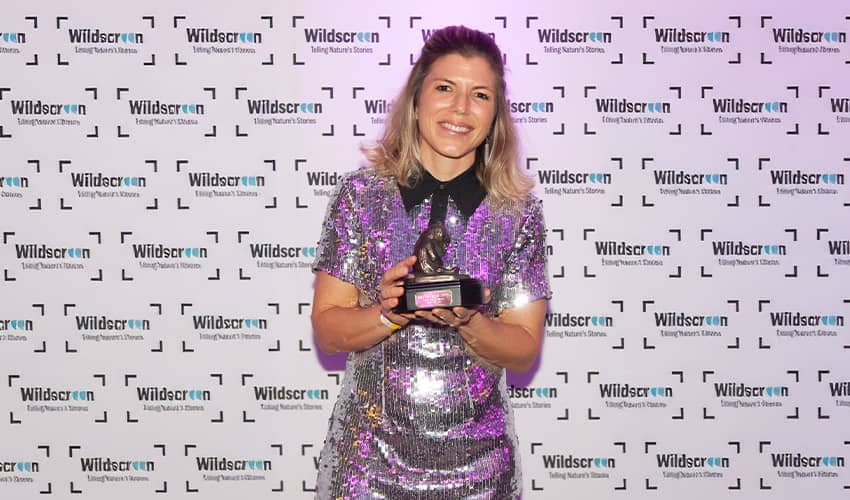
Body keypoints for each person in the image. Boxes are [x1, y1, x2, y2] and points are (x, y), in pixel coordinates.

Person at [311, 25, 551, 499]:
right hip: (365, 467)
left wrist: (468, 321)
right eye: (445, 88)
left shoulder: (518, 211)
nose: (460, 109)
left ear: (495, 115)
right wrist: (389, 313)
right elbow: (328, 330)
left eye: (479, 95)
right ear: (417, 98)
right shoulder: (360, 196)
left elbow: (524, 348)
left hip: (481, 473)